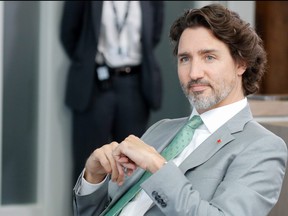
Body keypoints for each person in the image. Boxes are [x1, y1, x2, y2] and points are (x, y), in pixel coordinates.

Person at [72, 3, 288, 216]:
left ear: (241, 63)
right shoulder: (161, 130)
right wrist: (93, 179)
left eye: (209, 57)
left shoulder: (263, 147)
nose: (194, 73)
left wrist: (158, 166)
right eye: (185, 59)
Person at [60, 1, 165, 182]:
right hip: (95, 84)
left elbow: (153, 36)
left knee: (133, 164)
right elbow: (69, 34)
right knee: (89, 162)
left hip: (134, 84)